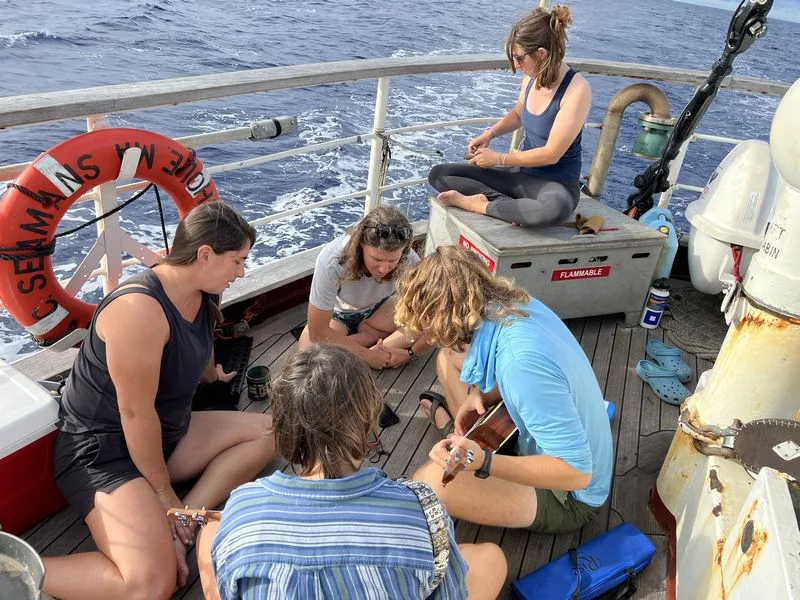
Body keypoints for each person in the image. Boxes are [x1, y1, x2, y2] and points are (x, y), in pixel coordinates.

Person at [44, 202, 276, 600]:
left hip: (167, 432)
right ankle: (19, 564)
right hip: (104, 451)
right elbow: (135, 414)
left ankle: (185, 521)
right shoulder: (139, 309)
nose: (242, 272)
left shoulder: (201, 295)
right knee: (152, 585)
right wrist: (162, 494)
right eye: (237, 261)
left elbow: (197, 351)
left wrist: (213, 376)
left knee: (273, 429)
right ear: (205, 254)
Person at [198, 343, 507, 599]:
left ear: (284, 427)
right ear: (369, 423)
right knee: (490, 559)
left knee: (210, 532)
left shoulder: (241, 507)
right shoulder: (422, 509)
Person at [395, 245, 612, 534]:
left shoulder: (521, 365)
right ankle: (460, 439)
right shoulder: (515, 304)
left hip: (571, 496)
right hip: (538, 430)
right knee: (448, 359)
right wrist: (478, 395)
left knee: (430, 482)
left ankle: (464, 449)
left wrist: (483, 462)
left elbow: (577, 473)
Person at [428, 5, 590, 227]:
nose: (515, 64)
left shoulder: (576, 90)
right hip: (520, 176)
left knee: (551, 209)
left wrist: (499, 159)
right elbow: (518, 114)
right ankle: (509, 208)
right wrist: (490, 133)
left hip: (555, 185)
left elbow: (551, 154)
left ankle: (480, 205)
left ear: (541, 54)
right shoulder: (530, 79)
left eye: (519, 58)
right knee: (439, 174)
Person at [299, 204, 429, 369]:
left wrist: (410, 354)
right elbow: (318, 331)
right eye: (376, 259)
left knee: (420, 319)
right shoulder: (331, 260)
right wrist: (368, 356)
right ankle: (372, 340)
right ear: (360, 245)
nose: (383, 269)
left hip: (379, 310)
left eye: (392, 261)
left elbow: (430, 317)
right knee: (308, 353)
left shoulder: (409, 259)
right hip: (338, 316)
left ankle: (369, 338)